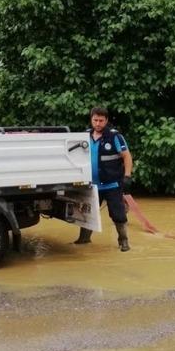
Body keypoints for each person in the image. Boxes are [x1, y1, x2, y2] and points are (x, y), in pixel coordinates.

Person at [74, 106, 134, 251]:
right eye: (95, 120)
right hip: (91, 185)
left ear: (106, 120)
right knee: (86, 214)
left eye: (101, 120)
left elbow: (127, 156)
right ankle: (84, 239)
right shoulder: (84, 136)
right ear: (91, 120)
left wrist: (127, 176)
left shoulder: (114, 137)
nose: (98, 124)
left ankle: (123, 241)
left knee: (118, 214)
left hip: (111, 184)